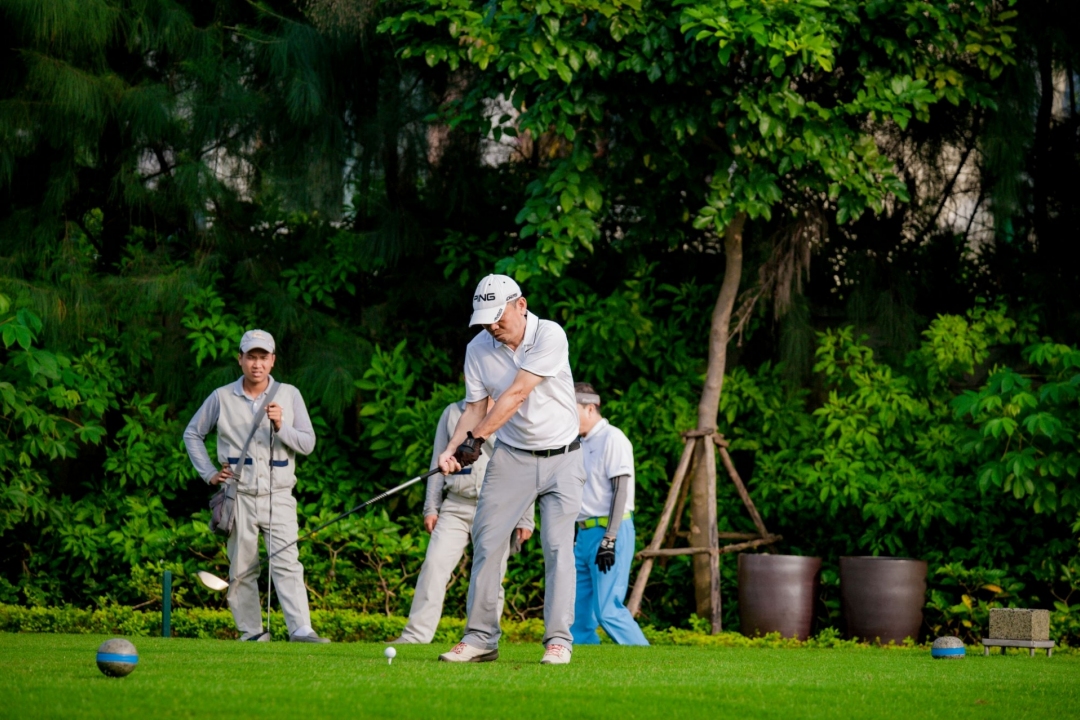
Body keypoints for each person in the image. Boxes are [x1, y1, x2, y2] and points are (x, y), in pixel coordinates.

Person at [436, 274, 585, 665]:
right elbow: (475, 408)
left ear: (521, 305)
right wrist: (452, 448)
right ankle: (480, 638)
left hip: (564, 457)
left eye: (497, 317)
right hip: (512, 458)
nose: (492, 326)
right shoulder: (477, 349)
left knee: (557, 548)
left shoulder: (549, 334)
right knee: (486, 542)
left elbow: (517, 394)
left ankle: (558, 641)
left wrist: (476, 440)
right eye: (485, 320)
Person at [183, 329, 329, 643]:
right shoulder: (221, 396)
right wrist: (209, 473)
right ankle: (251, 632)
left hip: (280, 495)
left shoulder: (289, 394)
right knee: (242, 568)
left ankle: (301, 629)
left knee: (287, 562)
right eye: (251, 357)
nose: (257, 364)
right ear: (240, 359)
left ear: (273, 361)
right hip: (238, 495)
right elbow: (192, 434)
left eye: (263, 357)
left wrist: (281, 425)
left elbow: (308, 443)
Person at [392, 399, 534, 644]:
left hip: (498, 507)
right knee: (434, 564)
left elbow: (524, 464)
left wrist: (526, 516)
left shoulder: (512, 409)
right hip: (456, 504)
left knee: (491, 576)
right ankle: (416, 636)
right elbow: (439, 459)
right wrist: (431, 507)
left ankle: (483, 639)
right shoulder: (452, 412)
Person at [570, 383, 650, 646]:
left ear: (590, 408)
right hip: (584, 534)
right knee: (578, 615)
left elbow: (621, 490)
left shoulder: (613, 438)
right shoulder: (579, 443)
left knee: (607, 610)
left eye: (572, 410)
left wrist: (610, 538)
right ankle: (582, 664)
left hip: (610, 532)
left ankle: (649, 663)